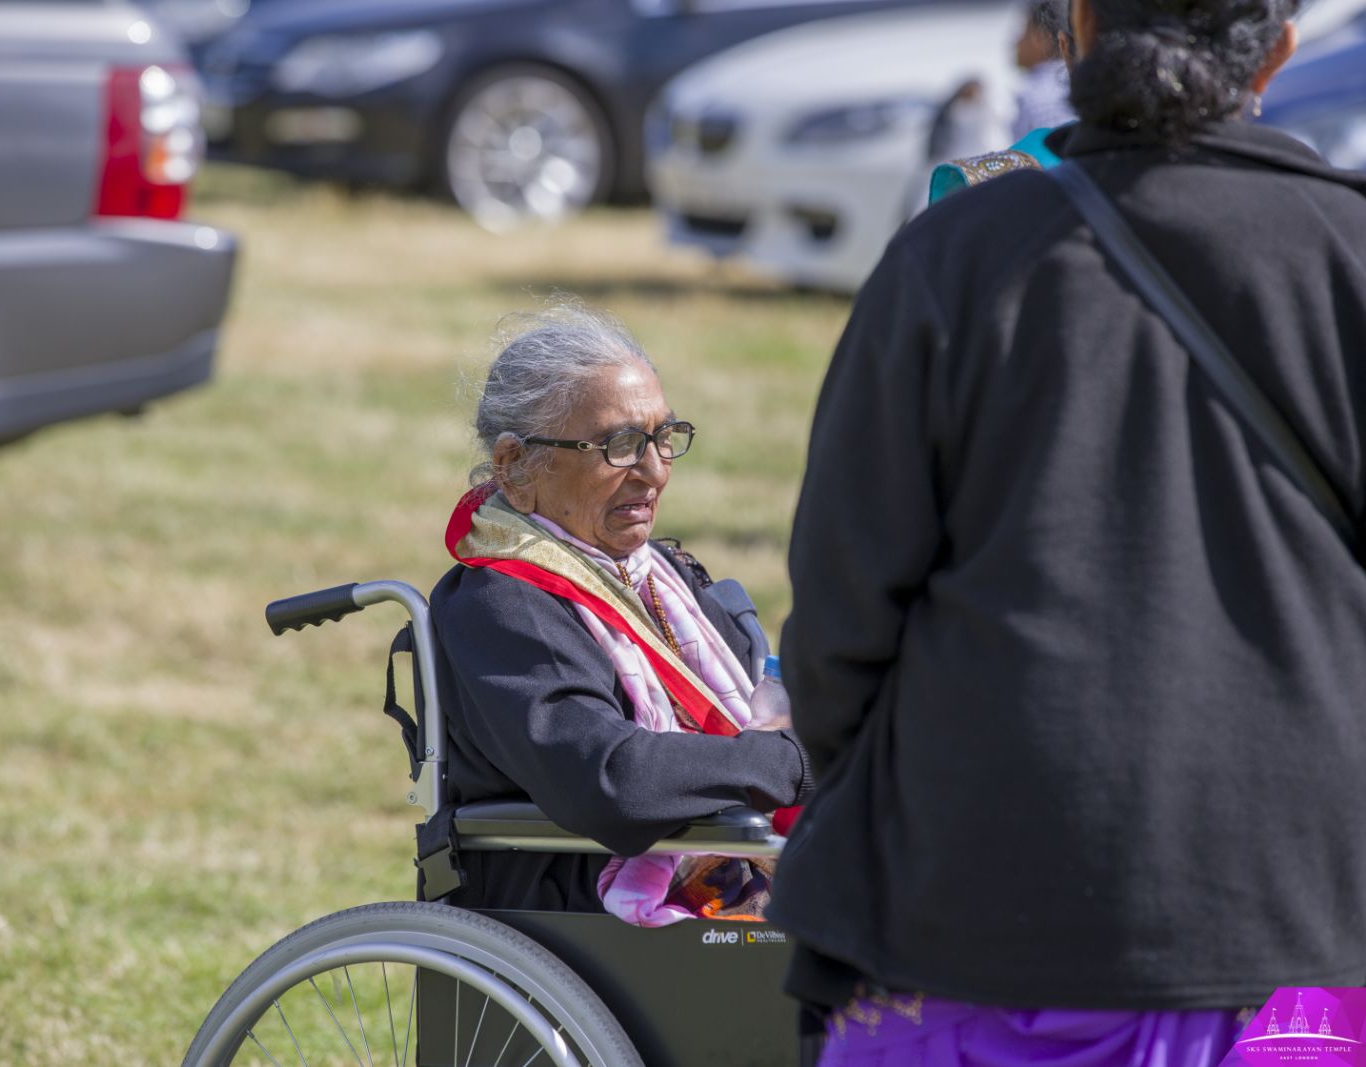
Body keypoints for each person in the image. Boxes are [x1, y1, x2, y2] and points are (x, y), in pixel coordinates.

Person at [772, 0, 1366, 1061]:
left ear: (1078, 25)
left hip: (968, 902)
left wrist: (864, 791)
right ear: (1278, 50)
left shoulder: (952, 254)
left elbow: (839, 612)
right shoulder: (1348, 253)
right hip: (1290, 922)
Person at [430, 304, 811, 923]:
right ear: (513, 466)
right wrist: (792, 763)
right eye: (619, 446)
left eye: (663, 437)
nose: (656, 471)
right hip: (583, 910)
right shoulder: (501, 605)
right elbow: (610, 778)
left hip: (722, 871)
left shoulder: (666, 575)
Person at [928, 0, 1077, 203]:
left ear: (1040, 38)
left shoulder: (1035, 95)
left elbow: (1042, 166)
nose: (1015, 43)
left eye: (1023, 32)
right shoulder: (1069, 85)